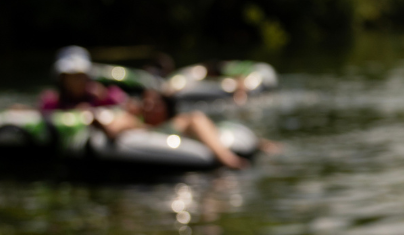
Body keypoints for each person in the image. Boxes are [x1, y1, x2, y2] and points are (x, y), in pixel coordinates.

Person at [97, 89, 248, 170]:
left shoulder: (178, 121)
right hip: (153, 149)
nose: (149, 108)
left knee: (195, 118)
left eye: (155, 104)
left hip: (184, 142)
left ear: (167, 108)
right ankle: (230, 161)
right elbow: (111, 129)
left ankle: (229, 159)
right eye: (146, 103)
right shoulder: (136, 124)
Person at [39, 47, 128, 112]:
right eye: (71, 76)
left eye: (80, 75)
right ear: (62, 79)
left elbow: (127, 107)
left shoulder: (105, 96)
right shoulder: (51, 102)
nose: (77, 81)